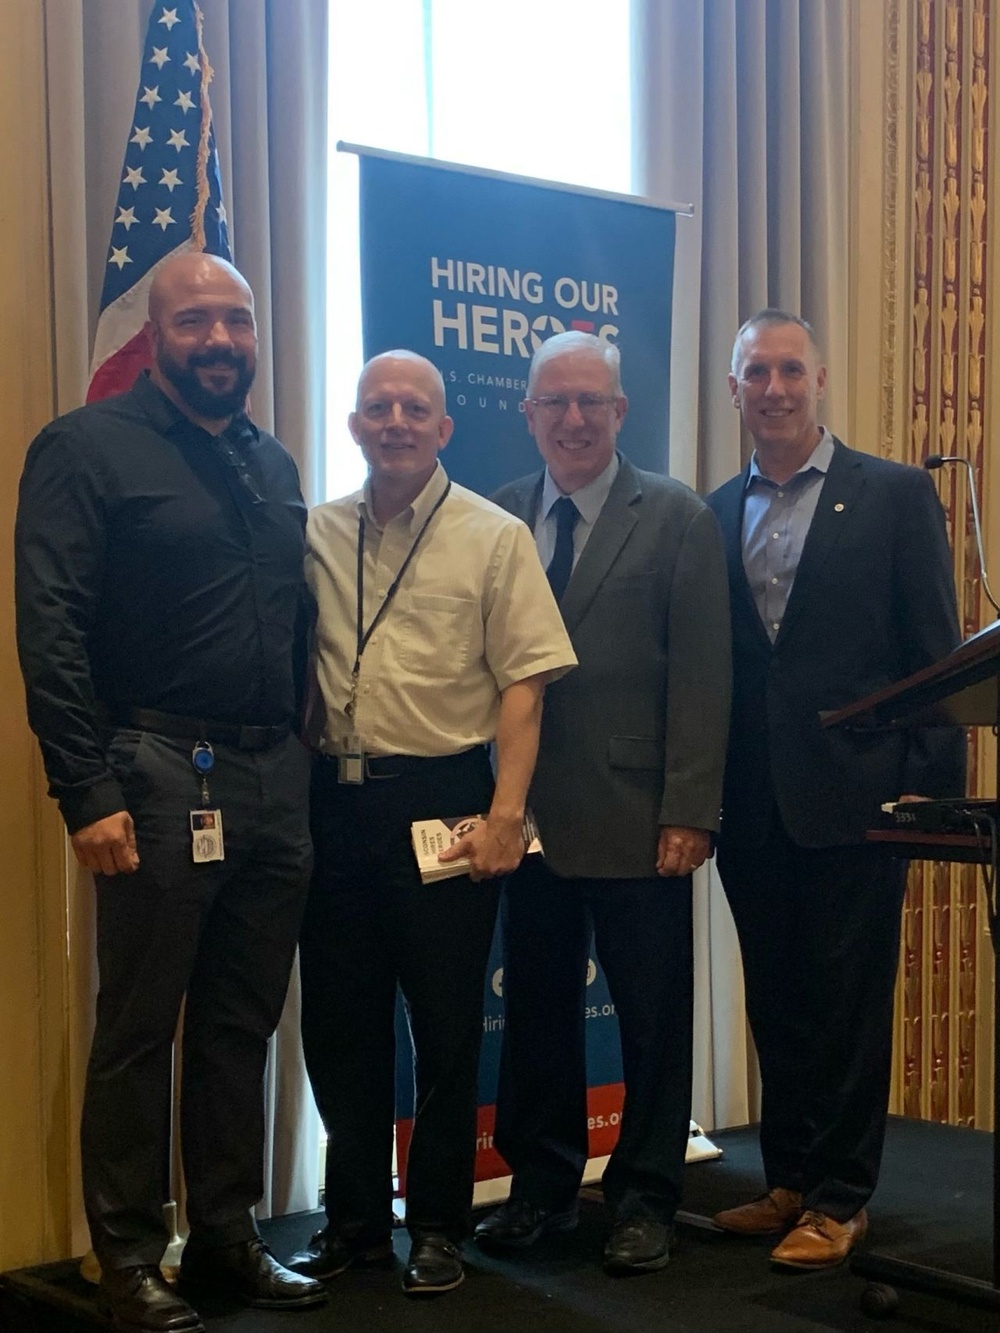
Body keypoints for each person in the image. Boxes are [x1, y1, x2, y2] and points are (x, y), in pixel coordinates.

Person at [15, 252, 326, 1333]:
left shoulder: (269, 461)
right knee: (143, 1025)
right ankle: (129, 1253)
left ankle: (228, 1238)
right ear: (154, 335)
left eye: (236, 323)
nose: (221, 342)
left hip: (272, 777)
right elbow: (49, 629)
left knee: (241, 1023)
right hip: (150, 773)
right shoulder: (85, 449)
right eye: (197, 322)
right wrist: (84, 789)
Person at [290, 350, 577, 1297]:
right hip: (333, 802)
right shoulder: (317, 533)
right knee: (340, 1026)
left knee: (448, 1029)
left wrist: (506, 811)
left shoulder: (494, 537)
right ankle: (357, 1224)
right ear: (356, 425)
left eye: (417, 407)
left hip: (446, 803)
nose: (398, 421)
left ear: (445, 429)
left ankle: (443, 1225)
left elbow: (525, 683)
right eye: (380, 407)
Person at [705, 310, 966, 1270]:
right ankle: (788, 1178)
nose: (772, 388)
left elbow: (933, 655)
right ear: (732, 391)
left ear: (821, 380)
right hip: (751, 800)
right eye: (754, 374)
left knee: (848, 1001)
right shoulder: (712, 506)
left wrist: (929, 801)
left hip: (860, 802)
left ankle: (842, 1196)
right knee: (775, 997)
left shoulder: (893, 496)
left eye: (789, 370)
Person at [474, 330, 732, 1275]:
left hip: (639, 819)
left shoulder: (676, 517)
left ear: (621, 413)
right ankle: (540, 1190)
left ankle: (645, 1196)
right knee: (537, 1016)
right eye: (556, 403)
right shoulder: (497, 516)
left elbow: (705, 677)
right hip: (523, 822)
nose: (574, 419)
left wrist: (691, 810)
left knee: (653, 1021)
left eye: (593, 402)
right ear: (529, 413)